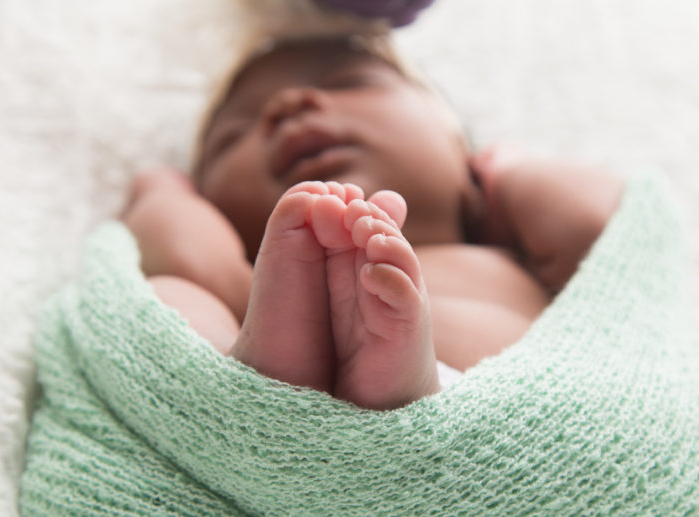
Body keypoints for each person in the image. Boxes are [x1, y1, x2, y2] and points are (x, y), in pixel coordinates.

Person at [122, 36, 624, 410]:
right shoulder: (246, 287)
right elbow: (189, 258)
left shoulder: (510, 253)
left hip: (500, 416)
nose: (287, 106)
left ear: (461, 154)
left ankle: (380, 381)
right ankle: (270, 387)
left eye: (347, 83)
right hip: (283, 413)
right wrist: (164, 197)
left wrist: (508, 172)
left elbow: (600, 228)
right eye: (233, 136)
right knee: (174, 295)